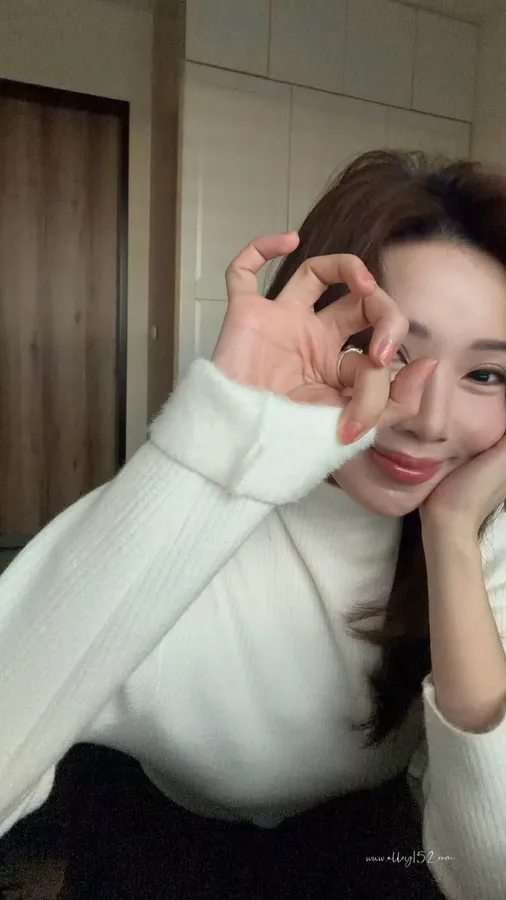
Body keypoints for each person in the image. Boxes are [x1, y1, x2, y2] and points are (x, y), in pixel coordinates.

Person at [1, 149, 506, 900]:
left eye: (486, 374)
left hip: (360, 841)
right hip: (159, 832)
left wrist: (452, 539)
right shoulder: (182, 517)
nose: (429, 423)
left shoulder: (482, 526)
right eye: (388, 350)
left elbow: (489, 873)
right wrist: (217, 447)